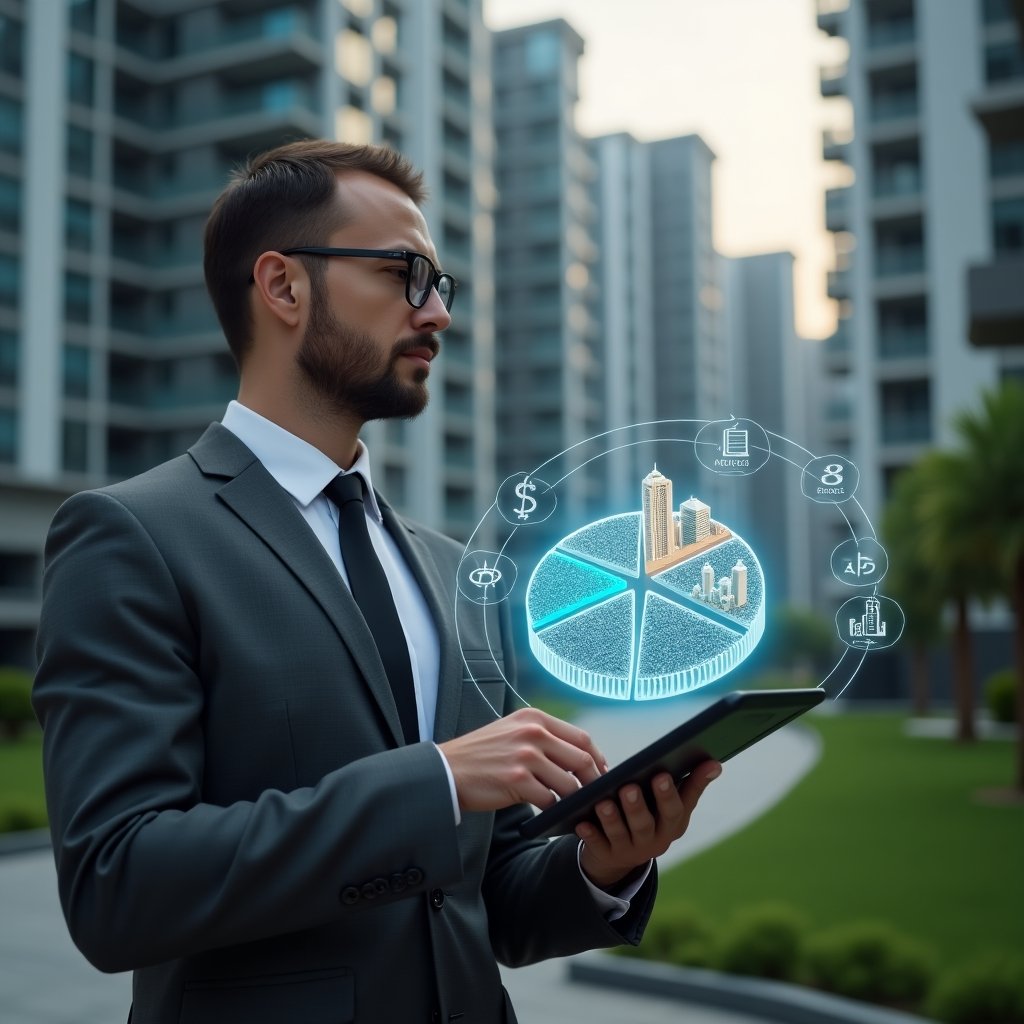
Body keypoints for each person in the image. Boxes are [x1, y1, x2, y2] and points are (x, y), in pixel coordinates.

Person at [33, 139, 721, 1024]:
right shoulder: (132, 536)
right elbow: (116, 885)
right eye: (406, 273)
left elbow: (483, 899)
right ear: (283, 286)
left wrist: (606, 864)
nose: (436, 314)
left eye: (440, 285)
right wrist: (431, 782)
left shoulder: (451, 569)